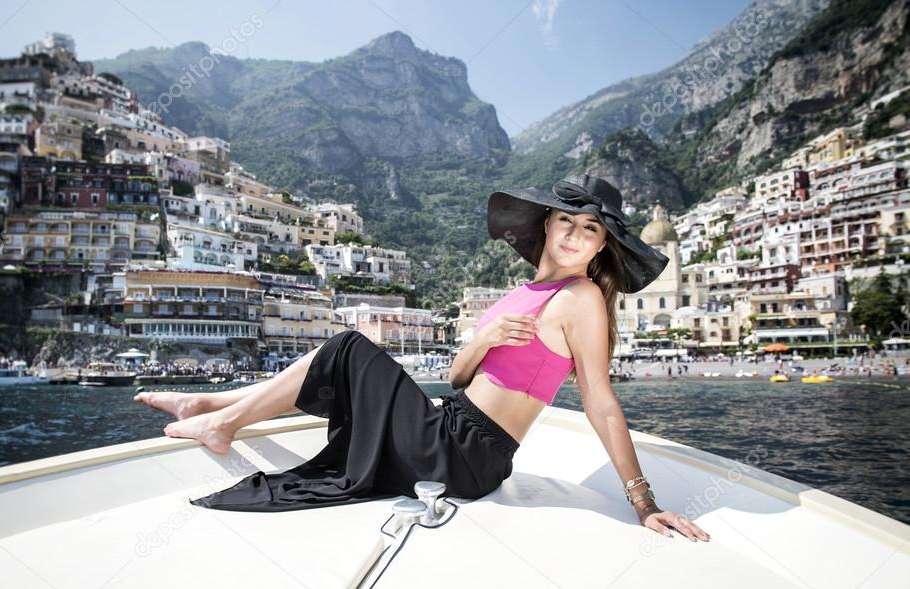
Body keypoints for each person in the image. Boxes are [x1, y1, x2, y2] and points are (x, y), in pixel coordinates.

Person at [133, 173, 710, 542]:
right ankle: (209, 402)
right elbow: (461, 376)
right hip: (451, 422)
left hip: (468, 454)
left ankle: (222, 420)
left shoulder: (581, 298)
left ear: (601, 244)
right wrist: (484, 340)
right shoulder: (519, 295)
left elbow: (600, 402)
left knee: (349, 347)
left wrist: (643, 502)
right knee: (344, 356)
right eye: (567, 221)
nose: (575, 235)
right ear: (548, 224)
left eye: (590, 230)